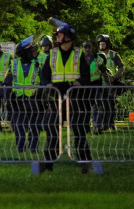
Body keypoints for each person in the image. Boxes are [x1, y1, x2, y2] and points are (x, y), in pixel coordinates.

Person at [39, 20, 93, 173]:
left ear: (68, 37)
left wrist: (76, 84)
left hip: (74, 98)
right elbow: (44, 75)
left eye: (61, 34)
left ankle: (85, 162)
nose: (58, 37)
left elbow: (85, 76)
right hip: (56, 98)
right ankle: (48, 162)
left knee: (78, 129)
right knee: (52, 130)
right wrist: (47, 84)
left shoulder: (78, 54)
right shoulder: (53, 54)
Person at [5, 36, 41, 153]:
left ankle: (33, 147)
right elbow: (7, 82)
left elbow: (43, 81)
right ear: (25, 53)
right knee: (18, 125)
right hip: (17, 100)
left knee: (34, 126)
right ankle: (20, 147)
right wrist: (7, 100)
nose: (33, 53)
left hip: (33, 100)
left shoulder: (37, 65)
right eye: (31, 51)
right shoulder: (14, 65)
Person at [95, 34, 125, 132]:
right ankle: (101, 125)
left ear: (107, 44)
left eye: (103, 44)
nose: (101, 46)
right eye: (100, 44)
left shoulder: (114, 55)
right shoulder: (97, 55)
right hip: (100, 82)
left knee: (110, 104)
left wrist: (114, 77)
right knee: (100, 105)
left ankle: (111, 124)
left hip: (110, 83)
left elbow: (122, 67)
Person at [82, 41, 111, 135]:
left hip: (96, 85)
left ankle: (97, 127)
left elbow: (104, 72)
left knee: (97, 107)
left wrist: (109, 84)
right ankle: (86, 127)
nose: (87, 49)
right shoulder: (80, 60)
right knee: (85, 108)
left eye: (88, 47)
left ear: (92, 48)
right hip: (84, 86)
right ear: (83, 48)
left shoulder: (97, 59)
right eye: (85, 47)